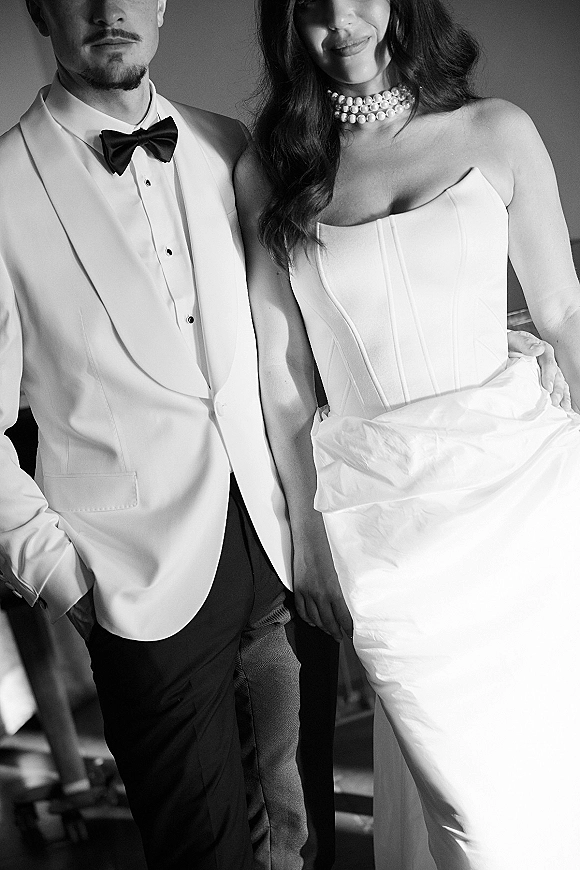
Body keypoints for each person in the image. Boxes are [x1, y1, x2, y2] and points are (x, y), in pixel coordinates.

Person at [234, 0, 580, 867]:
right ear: (288, 24)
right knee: (471, 815)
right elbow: (282, 381)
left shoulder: (497, 132)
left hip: (526, 499)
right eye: (312, 6)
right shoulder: (270, 174)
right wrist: (308, 545)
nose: (339, 20)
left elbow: (565, 312)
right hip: (385, 528)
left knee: (548, 773)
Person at [0, 1, 342, 868]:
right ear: (40, 7)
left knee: (296, 836)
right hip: (136, 593)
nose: (109, 8)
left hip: (274, 558)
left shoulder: (232, 145)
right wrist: (64, 581)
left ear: (160, 4)